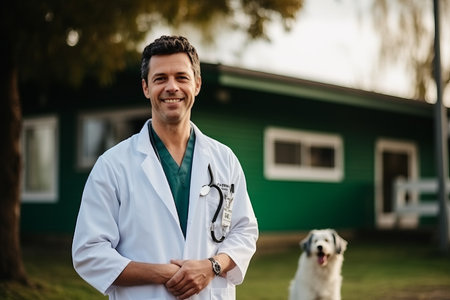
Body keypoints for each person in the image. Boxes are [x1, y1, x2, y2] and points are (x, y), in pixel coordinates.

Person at [72, 35, 259, 300]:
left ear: (197, 84)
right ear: (146, 88)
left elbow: (245, 230)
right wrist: (164, 273)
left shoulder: (224, 159)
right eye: (160, 78)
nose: (172, 87)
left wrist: (211, 266)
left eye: (181, 77)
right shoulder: (113, 165)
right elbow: (89, 252)